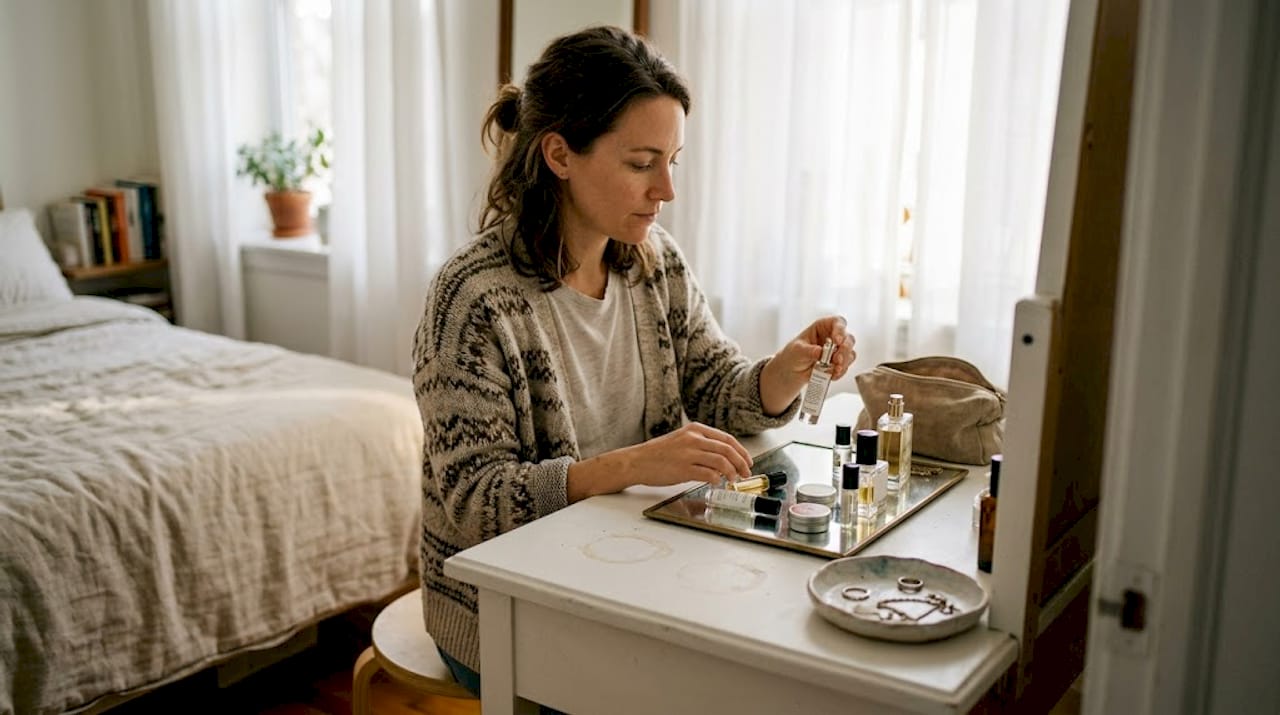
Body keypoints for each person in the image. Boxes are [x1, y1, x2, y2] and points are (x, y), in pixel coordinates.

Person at [411, 25, 856, 696]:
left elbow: (715, 386)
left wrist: (784, 371)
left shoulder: (652, 261)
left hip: (624, 571)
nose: (667, 189)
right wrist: (630, 466)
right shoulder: (475, 301)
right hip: (500, 613)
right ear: (560, 153)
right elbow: (477, 503)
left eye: (673, 159)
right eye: (643, 162)